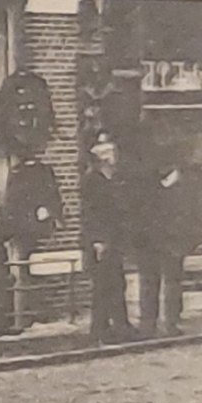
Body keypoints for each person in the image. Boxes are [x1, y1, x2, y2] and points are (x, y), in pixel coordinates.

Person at [81, 132, 133, 345]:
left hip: (114, 238)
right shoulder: (92, 180)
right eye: (109, 154)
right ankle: (100, 329)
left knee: (116, 282)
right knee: (103, 285)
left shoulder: (115, 179)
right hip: (100, 241)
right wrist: (98, 240)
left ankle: (119, 325)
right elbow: (91, 213)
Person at [134, 165, 188, 338]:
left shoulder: (177, 188)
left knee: (167, 282)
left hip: (166, 241)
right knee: (156, 282)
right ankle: (155, 323)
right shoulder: (170, 189)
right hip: (154, 241)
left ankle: (164, 323)